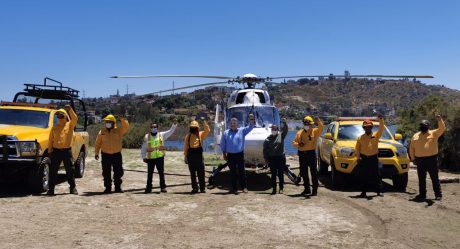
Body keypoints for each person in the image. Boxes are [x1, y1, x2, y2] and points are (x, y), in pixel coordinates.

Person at [410, 114, 445, 201]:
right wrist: (413, 159)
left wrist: (439, 120)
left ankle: (438, 195)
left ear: (428, 127)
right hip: (420, 160)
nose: (423, 127)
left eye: (424, 126)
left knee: (434, 178)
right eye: (421, 126)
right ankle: (422, 195)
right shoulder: (415, 136)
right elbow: (411, 148)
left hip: (431, 159)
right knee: (421, 179)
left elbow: (442, 129)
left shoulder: (434, 133)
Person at [47, 105, 79, 196]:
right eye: (58, 116)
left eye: (61, 115)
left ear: (65, 116)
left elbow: (75, 119)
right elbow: (50, 140)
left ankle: (73, 188)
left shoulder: (70, 125)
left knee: (70, 171)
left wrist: (70, 110)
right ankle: (51, 189)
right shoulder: (54, 127)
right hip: (56, 152)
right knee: (53, 171)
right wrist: (49, 151)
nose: (59, 117)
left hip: (67, 151)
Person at [220, 114, 255, 194]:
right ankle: (234, 188)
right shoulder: (226, 133)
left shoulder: (242, 131)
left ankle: (244, 187)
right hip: (230, 155)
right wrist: (224, 154)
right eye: (232, 123)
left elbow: (250, 127)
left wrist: (251, 119)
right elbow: (223, 144)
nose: (233, 124)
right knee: (232, 172)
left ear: (237, 124)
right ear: (230, 124)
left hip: (239, 155)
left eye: (234, 123)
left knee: (242, 171)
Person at [95, 114, 129, 193]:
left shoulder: (119, 130)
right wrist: (96, 153)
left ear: (113, 122)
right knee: (106, 172)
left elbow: (126, 126)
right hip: (105, 155)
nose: (107, 123)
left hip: (116, 155)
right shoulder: (102, 131)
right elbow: (98, 143)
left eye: (109, 122)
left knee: (118, 172)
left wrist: (122, 119)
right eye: (106, 122)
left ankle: (118, 187)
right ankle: (108, 188)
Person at [140, 119, 177, 194]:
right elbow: (143, 147)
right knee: (150, 174)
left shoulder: (162, 135)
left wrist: (174, 125)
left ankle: (163, 187)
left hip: (160, 158)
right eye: (152, 127)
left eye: (155, 127)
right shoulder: (147, 136)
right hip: (150, 159)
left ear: (157, 128)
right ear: (150, 128)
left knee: (161, 173)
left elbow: (170, 131)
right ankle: (148, 188)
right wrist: (143, 157)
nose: (154, 128)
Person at [354, 114, 384, 198]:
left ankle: (379, 191)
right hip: (364, 158)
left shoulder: (376, 135)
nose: (367, 128)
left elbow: (381, 128)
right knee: (364, 176)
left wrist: (381, 119)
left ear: (371, 127)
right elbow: (357, 148)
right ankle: (363, 192)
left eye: (369, 127)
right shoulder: (360, 138)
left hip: (373, 158)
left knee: (377, 175)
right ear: (364, 128)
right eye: (366, 127)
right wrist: (358, 158)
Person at [293, 116, 323, 196]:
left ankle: (314, 190)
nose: (308, 125)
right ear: (304, 124)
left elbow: (321, 128)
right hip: (302, 154)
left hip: (311, 154)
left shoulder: (315, 131)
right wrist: (299, 144)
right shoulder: (299, 132)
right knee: (304, 173)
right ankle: (307, 189)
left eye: (309, 124)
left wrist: (318, 121)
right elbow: (294, 142)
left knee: (314, 173)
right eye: (306, 124)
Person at [183, 117, 210, 194]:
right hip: (190, 156)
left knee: (201, 173)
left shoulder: (201, 134)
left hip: (199, 157)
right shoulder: (188, 136)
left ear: (197, 128)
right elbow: (186, 147)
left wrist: (205, 123)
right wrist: (185, 156)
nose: (193, 129)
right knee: (193, 174)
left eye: (195, 128)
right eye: (192, 128)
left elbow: (207, 131)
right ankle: (195, 188)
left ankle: (202, 188)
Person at [263, 118, 288, 194]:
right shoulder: (267, 139)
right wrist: (266, 159)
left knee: (280, 174)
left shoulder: (281, 136)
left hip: (280, 158)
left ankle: (281, 188)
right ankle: (274, 189)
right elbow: (265, 150)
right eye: (272, 129)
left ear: (277, 129)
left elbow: (286, 130)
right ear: (271, 130)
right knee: (273, 175)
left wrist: (284, 122)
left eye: (275, 129)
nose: (273, 130)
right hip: (272, 159)